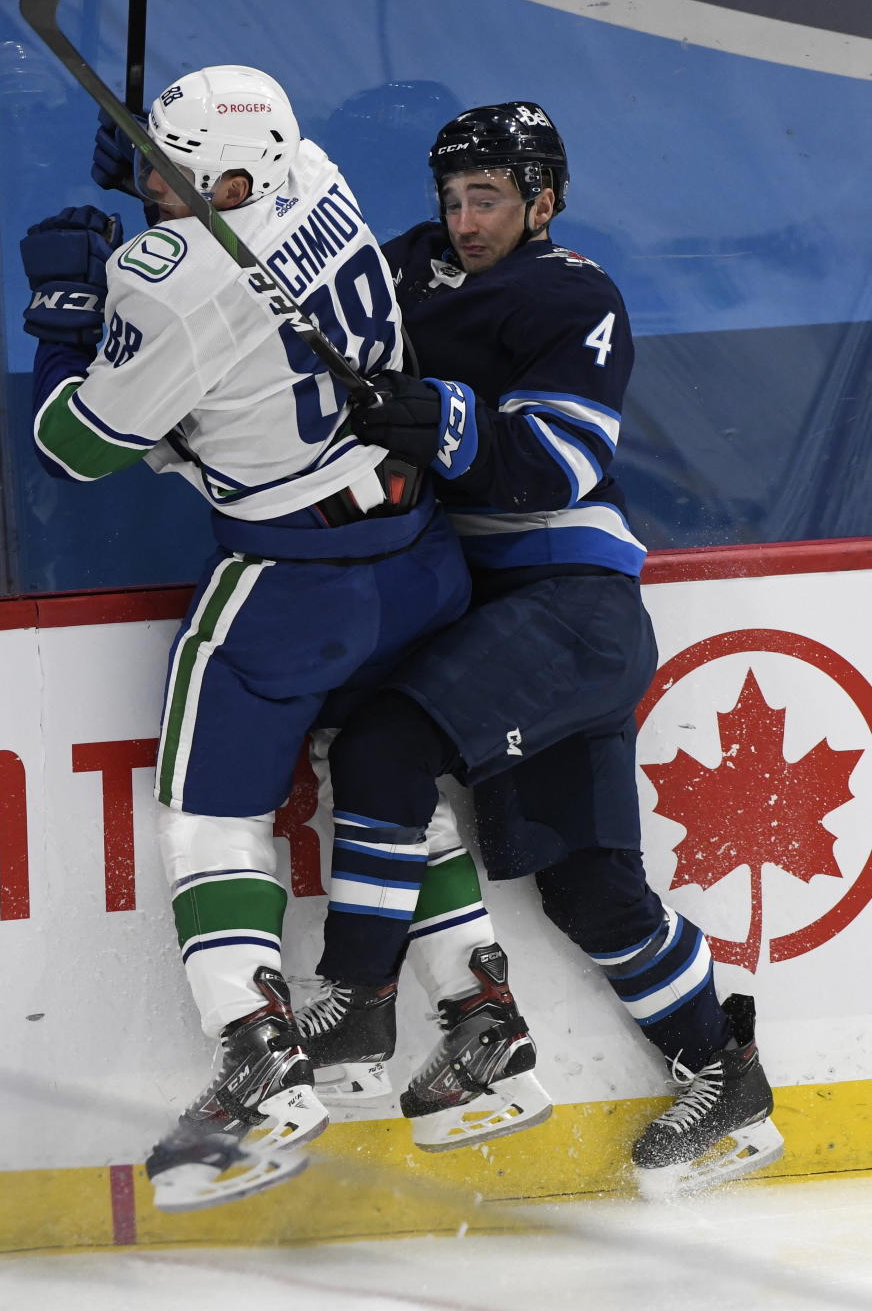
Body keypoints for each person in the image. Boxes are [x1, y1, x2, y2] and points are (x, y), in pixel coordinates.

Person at [294, 101, 784, 1198]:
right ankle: (725, 1074)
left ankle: (360, 1006)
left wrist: (435, 415)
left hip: (571, 609)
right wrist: (171, 202)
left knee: (382, 743)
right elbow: (294, 292)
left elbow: (552, 463)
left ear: (544, 201)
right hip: (494, 614)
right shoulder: (410, 263)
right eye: (455, 199)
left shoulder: (574, 295)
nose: (466, 220)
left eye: (492, 200)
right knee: (592, 890)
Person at [20, 65, 474, 1211]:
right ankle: (482, 1006)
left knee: (208, 821)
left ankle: (259, 1063)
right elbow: (237, 251)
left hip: (295, 585)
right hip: (415, 550)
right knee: (385, 775)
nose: (159, 189)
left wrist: (67, 324)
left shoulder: (167, 278)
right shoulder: (316, 175)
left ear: (227, 173)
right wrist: (159, 178)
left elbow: (77, 445)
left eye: (180, 172)